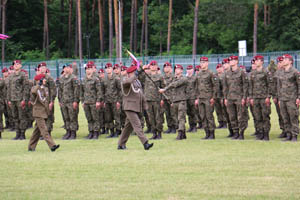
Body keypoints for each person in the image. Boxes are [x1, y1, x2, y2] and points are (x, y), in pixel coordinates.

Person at [118, 64, 154, 150]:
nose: (135, 74)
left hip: (136, 107)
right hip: (129, 107)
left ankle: (121, 144)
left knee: (127, 127)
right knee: (137, 125)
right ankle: (145, 143)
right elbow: (129, 81)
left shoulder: (137, 82)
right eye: (134, 73)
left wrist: (144, 105)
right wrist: (137, 72)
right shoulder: (125, 81)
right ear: (130, 73)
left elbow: (140, 93)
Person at [28, 74, 60, 152]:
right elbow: (34, 92)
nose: (45, 80)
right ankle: (52, 145)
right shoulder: (35, 88)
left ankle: (31, 147)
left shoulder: (45, 88)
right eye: (43, 79)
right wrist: (38, 85)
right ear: (40, 81)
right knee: (44, 130)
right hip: (38, 112)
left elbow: (46, 100)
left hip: (44, 112)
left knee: (37, 131)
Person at [160, 64, 188, 140]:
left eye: (178, 69)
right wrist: (171, 101)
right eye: (176, 69)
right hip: (175, 101)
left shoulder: (184, 78)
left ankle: (179, 134)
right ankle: (183, 134)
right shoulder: (174, 79)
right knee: (176, 118)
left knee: (181, 118)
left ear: (182, 70)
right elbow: (172, 91)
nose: (177, 70)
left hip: (181, 100)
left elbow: (174, 85)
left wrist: (164, 89)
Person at [223, 55, 249, 140]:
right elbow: (225, 86)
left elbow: (245, 85)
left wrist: (244, 97)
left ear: (236, 61)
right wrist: (225, 98)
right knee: (232, 116)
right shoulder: (227, 73)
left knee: (241, 116)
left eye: (232, 60)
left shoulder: (241, 72)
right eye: (230, 61)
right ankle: (235, 132)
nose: (230, 62)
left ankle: (241, 133)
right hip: (230, 97)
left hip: (239, 97)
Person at [277, 54, 300, 141]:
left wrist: (298, 97)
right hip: (283, 98)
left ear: (290, 61)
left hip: (292, 98)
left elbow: (299, 85)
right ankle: (288, 134)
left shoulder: (295, 72)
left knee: (293, 117)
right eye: (282, 59)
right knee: (285, 117)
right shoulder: (281, 72)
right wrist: (279, 98)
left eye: (285, 59)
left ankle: (294, 135)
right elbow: (279, 86)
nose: (283, 61)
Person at [249, 55, 271, 140]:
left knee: (265, 116)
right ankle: (260, 133)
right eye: (255, 60)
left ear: (262, 61)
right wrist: (251, 97)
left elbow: (269, 85)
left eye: (258, 60)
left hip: (263, 97)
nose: (256, 62)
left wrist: (268, 96)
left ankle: (266, 134)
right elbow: (251, 86)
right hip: (255, 98)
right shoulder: (253, 73)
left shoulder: (266, 72)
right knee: (257, 116)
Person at [195, 57, 218, 139]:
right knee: (202, 116)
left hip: (208, 98)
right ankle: (207, 133)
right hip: (200, 98)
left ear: (207, 63)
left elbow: (215, 86)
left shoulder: (211, 73)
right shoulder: (198, 74)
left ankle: (212, 133)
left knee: (209, 116)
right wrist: (197, 98)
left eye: (204, 62)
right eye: (201, 62)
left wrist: (213, 97)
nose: (202, 64)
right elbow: (196, 86)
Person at [7, 60, 29, 140]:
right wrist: (8, 99)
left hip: (20, 99)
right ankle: (17, 133)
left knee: (22, 116)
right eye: (14, 64)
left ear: (20, 65)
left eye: (17, 64)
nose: (15, 65)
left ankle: (22, 134)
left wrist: (24, 99)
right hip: (12, 99)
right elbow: (9, 88)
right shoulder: (11, 76)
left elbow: (26, 88)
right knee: (15, 117)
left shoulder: (23, 75)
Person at [80, 62, 102, 139]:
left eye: (89, 69)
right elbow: (81, 91)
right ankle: (91, 132)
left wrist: (98, 101)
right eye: (87, 69)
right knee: (89, 118)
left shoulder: (96, 79)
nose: (88, 71)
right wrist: (82, 101)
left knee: (95, 118)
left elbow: (99, 91)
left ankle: (96, 133)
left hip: (94, 102)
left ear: (92, 70)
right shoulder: (84, 79)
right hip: (86, 102)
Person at [58, 64, 80, 140]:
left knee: (72, 117)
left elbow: (76, 90)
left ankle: (73, 133)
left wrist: (75, 101)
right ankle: (68, 132)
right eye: (64, 68)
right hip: (64, 101)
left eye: (67, 68)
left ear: (70, 69)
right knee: (66, 117)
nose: (66, 69)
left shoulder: (73, 78)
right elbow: (60, 90)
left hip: (71, 101)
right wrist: (60, 100)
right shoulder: (61, 78)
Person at [186, 65, 198, 133]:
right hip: (187, 97)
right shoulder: (186, 78)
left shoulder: (195, 78)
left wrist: (196, 98)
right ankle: (191, 126)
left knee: (194, 113)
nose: (189, 70)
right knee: (189, 113)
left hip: (193, 97)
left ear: (192, 70)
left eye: (190, 69)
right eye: (188, 69)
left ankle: (194, 126)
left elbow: (197, 88)